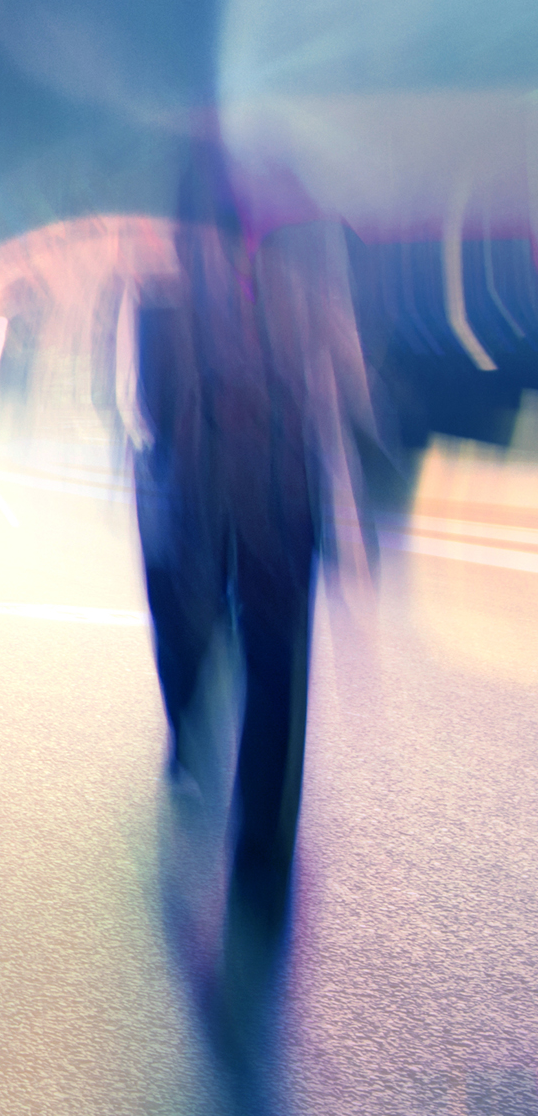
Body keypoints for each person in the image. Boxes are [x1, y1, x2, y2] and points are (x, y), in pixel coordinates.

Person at [129, 148, 369, 934]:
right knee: (265, 663)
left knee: (242, 649)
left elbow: (152, 405)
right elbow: (348, 382)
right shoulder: (201, 287)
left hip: (232, 493)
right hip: (257, 491)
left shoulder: (168, 286)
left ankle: (239, 804)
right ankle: (257, 836)